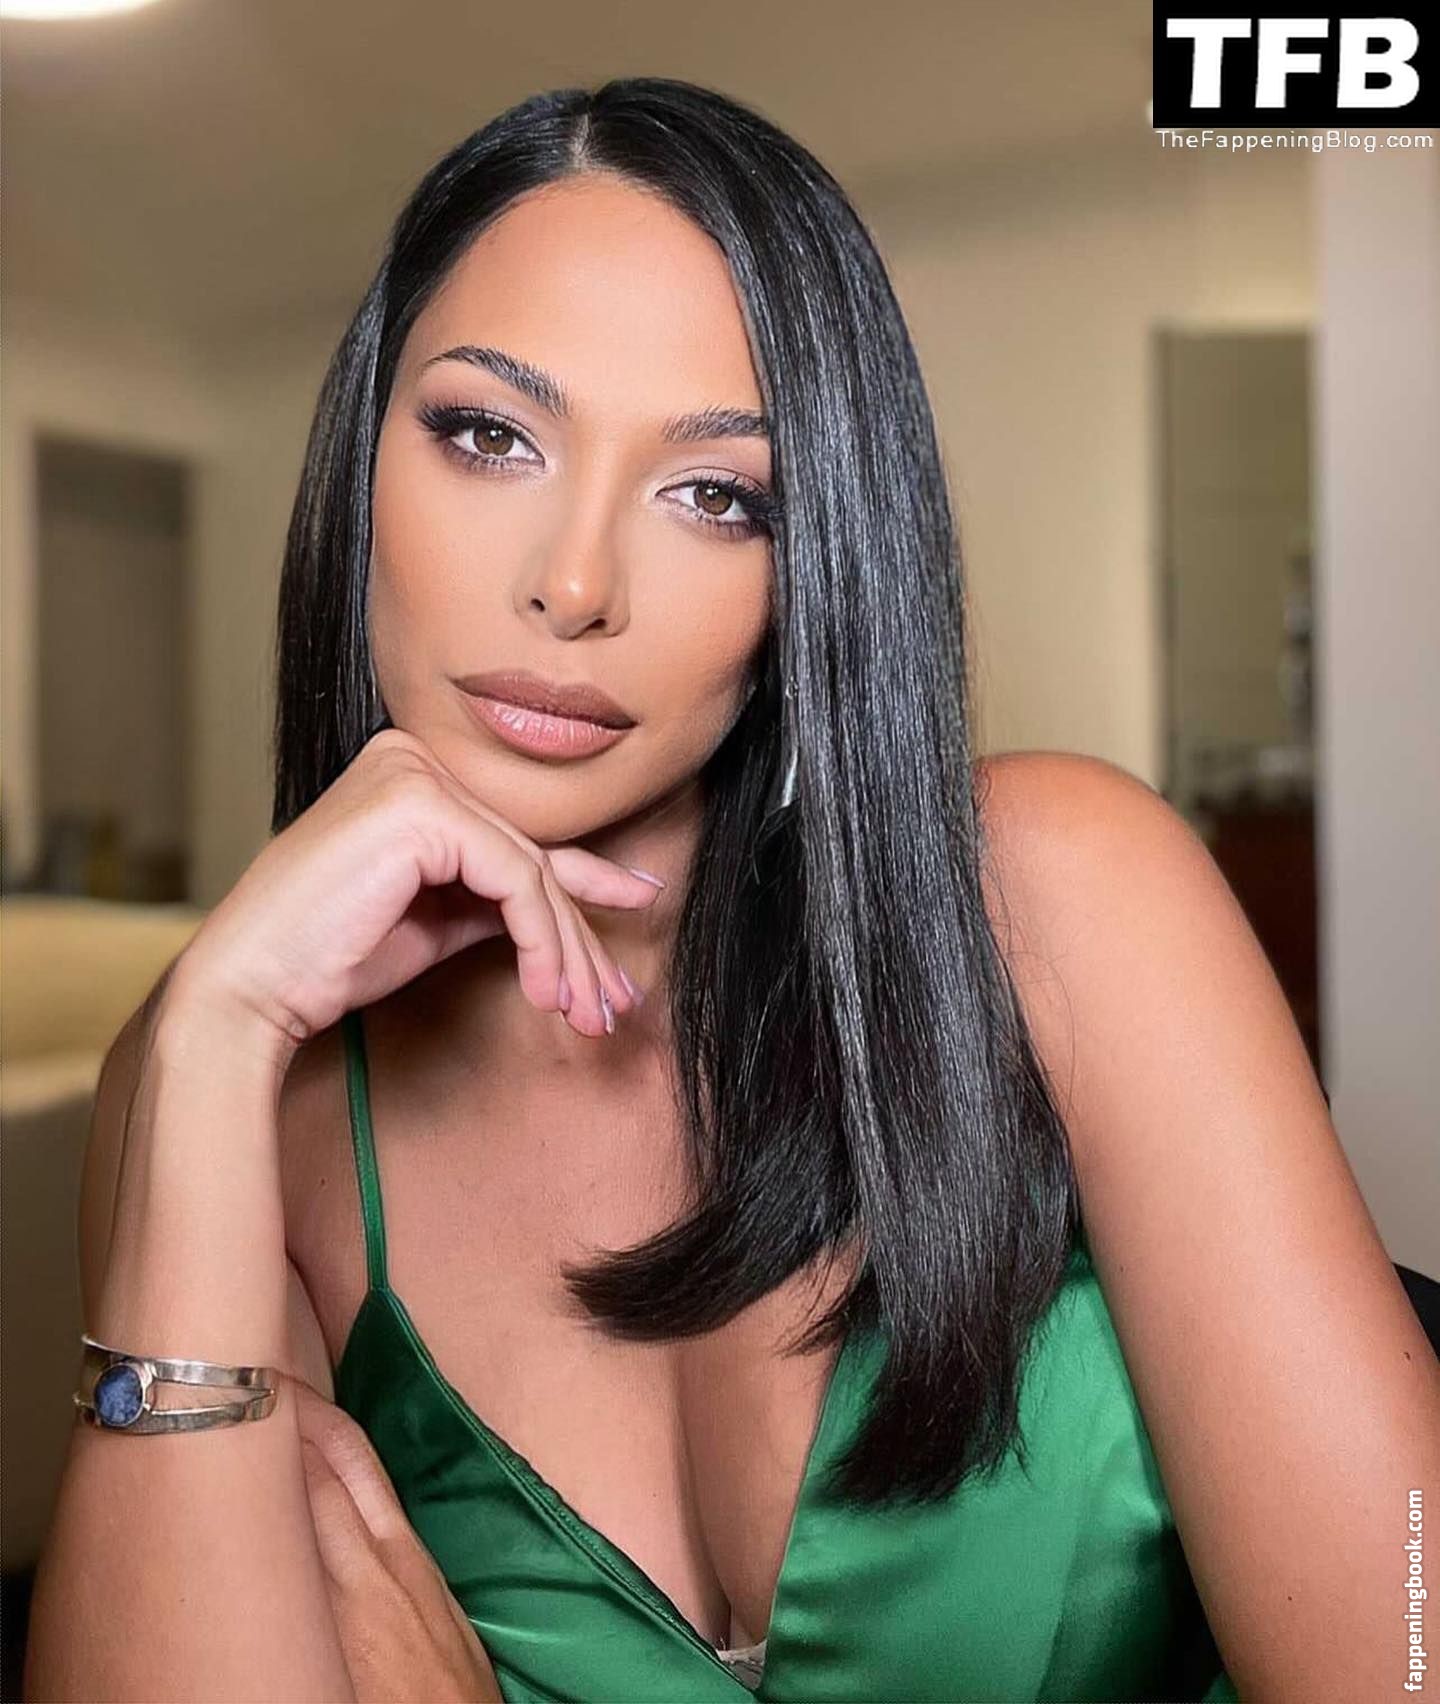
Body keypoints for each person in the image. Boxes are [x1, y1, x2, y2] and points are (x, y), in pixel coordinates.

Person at [27, 76, 1438, 1704]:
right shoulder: (224, 1090)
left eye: (716, 495)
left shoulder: (1062, 903)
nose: (574, 583)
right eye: (489, 435)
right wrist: (217, 1026)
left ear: (810, 570)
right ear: (360, 469)